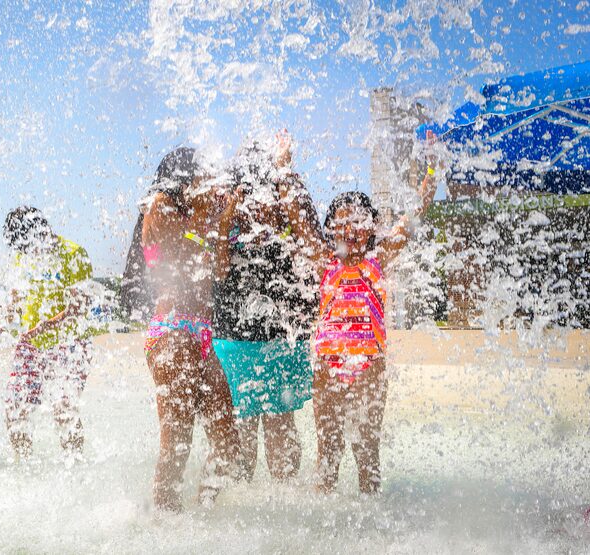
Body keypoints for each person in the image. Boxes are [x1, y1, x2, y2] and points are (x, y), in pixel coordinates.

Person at [308, 134, 439, 494]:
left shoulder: (377, 259)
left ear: (372, 226)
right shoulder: (325, 263)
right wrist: (283, 169)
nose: (350, 229)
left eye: (359, 221)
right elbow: (295, 223)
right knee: (328, 454)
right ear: (330, 229)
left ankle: (371, 530)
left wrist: (431, 172)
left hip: (369, 366)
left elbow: (414, 218)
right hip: (327, 365)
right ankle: (324, 535)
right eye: (341, 222)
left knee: (367, 454)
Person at [212, 133, 322, 481]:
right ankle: (242, 500)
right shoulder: (228, 219)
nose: (256, 206)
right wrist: (229, 214)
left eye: (265, 193)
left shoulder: (291, 208)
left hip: (284, 337)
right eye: (248, 192)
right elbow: (217, 269)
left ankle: (284, 499)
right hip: (234, 336)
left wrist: (285, 170)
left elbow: (310, 242)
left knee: (280, 420)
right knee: (242, 426)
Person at [141, 147, 241, 511]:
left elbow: (219, 271)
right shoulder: (159, 210)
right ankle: (165, 526)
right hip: (171, 331)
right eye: (204, 176)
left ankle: (202, 514)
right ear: (184, 181)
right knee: (177, 441)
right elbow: (168, 256)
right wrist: (210, 214)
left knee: (228, 441)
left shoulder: (201, 218)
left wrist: (224, 220)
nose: (212, 184)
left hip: (200, 335)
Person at [2, 206, 96, 463]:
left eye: (28, 245)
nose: (27, 251)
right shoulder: (23, 256)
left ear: (40, 230)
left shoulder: (73, 253)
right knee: (14, 409)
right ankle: (23, 467)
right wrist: (6, 314)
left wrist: (45, 325)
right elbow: (16, 297)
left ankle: (74, 464)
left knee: (63, 409)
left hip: (70, 343)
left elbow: (80, 306)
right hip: (30, 345)